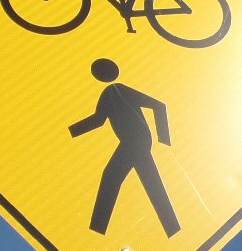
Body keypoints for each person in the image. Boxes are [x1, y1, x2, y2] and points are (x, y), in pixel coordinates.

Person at [69, 58, 180, 237]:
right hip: (132, 141)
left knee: (112, 177)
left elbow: (159, 106)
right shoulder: (107, 94)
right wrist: (70, 131)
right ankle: (173, 228)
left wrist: (164, 139)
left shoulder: (120, 90)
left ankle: (97, 229)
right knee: (150, 182)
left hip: (137, 140)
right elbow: (99, 120)